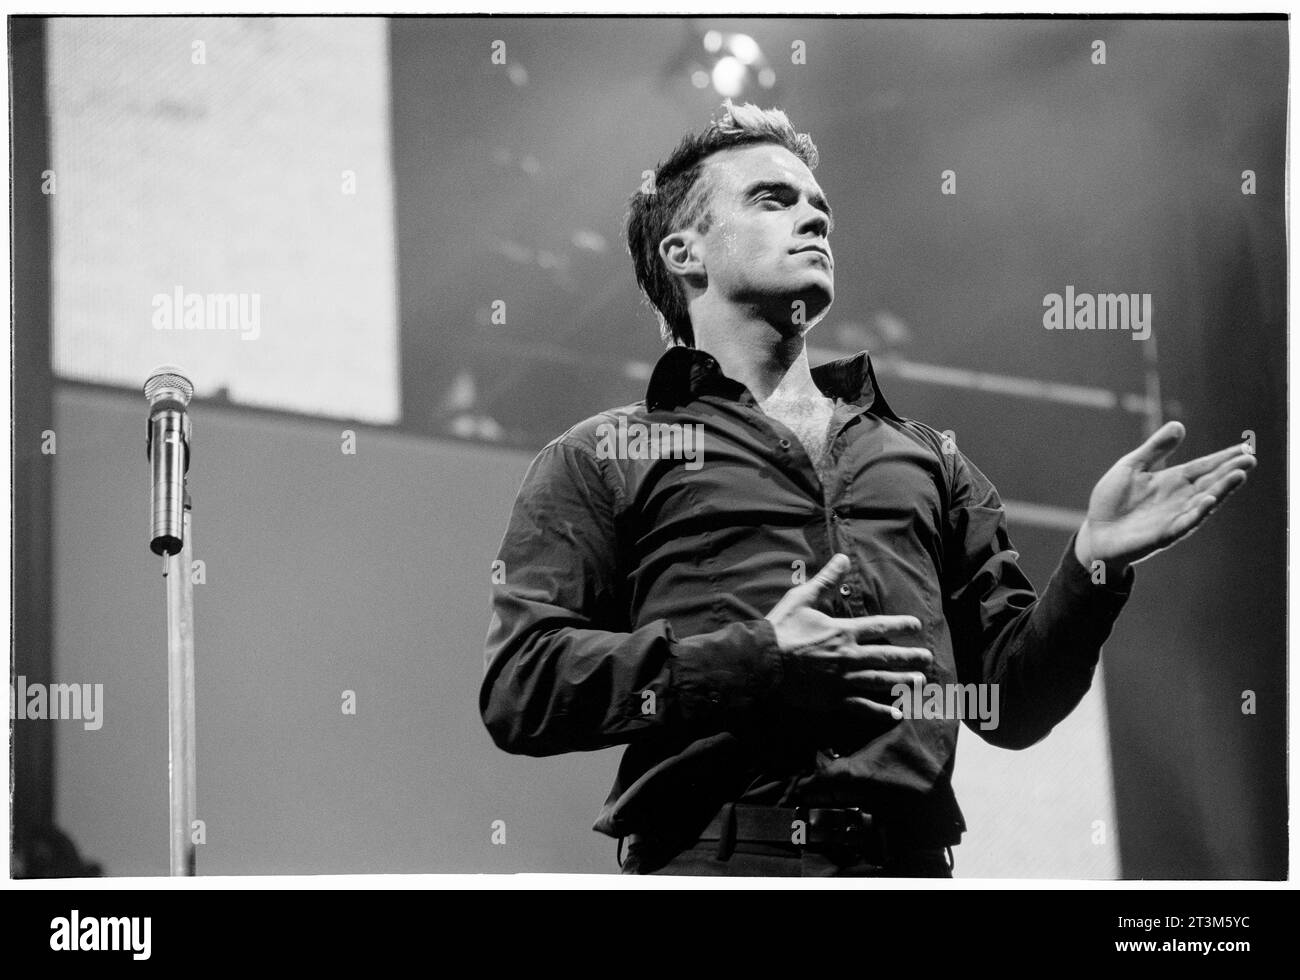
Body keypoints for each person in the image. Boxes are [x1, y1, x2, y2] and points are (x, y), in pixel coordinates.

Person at [479, 101, 1256, 876]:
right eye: (773, 199)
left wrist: (1094, 564)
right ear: (686, 252)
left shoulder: (928, 461)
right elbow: (523, 686)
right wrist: (754, 659)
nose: (813, 219)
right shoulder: (604, 456)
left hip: (909, 868)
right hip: (717, 864)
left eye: (819, 206)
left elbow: (1010, 705)